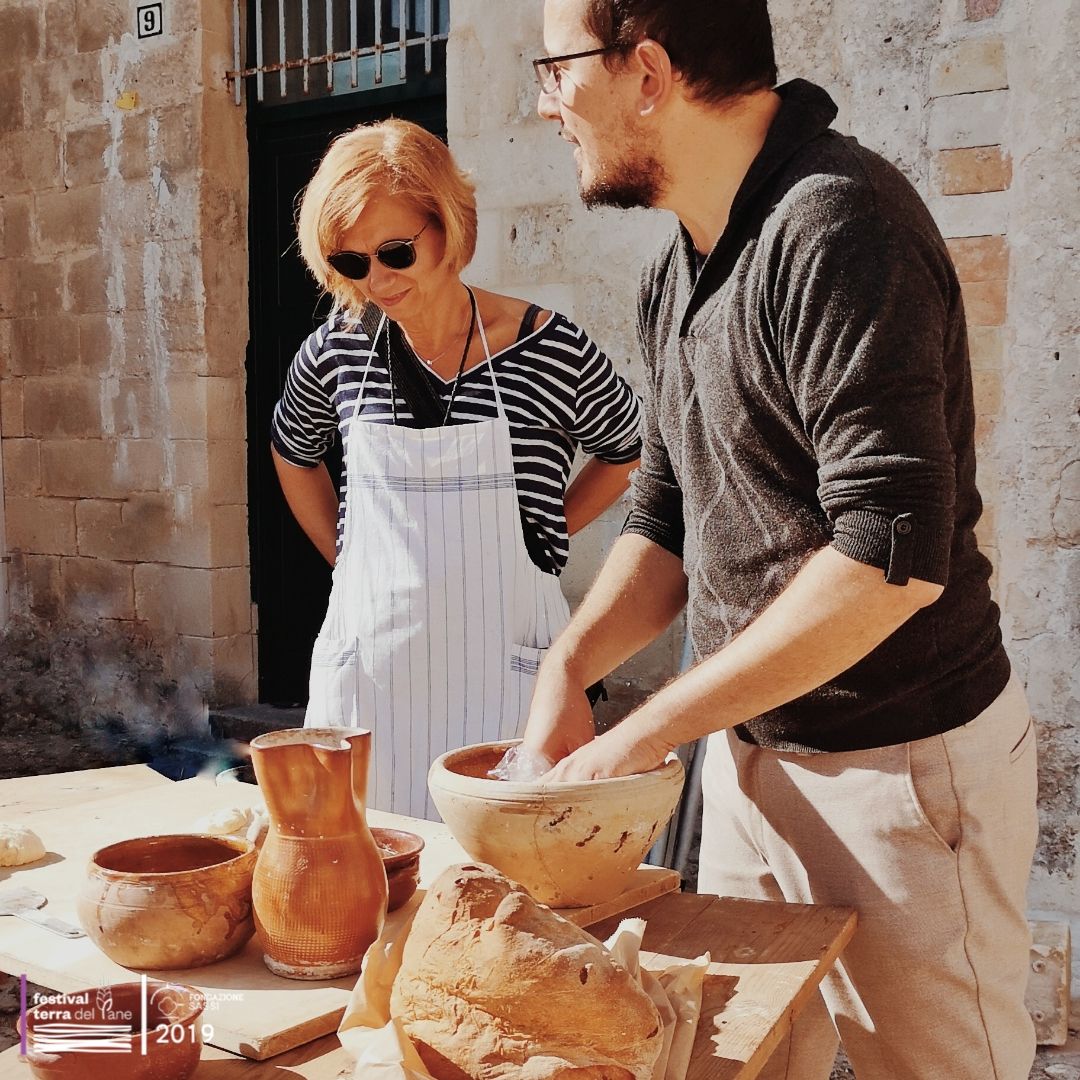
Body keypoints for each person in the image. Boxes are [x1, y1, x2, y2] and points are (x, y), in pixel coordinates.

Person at [522, 2, 1038, 1078]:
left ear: (649, 71)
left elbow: (887, 557)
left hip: (899, 774)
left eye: (556, 69)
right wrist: (574, 666)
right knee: (739, 1064)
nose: (544, 103)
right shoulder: (682, 265)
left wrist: (645, 731)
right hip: (751, 759)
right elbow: (666, 514)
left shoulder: (842, 228)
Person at [271, 118, 641, 820]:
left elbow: (630, 450)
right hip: (371, 685)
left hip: (503, 680)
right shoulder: (337, 351)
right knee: (369, 885)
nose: (376, 279)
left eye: (394, 252)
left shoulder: (549, 349)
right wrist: (344, 558)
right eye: (350, 263)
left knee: (501, 885)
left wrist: (549, 528)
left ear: (449, 226)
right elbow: (293, 452)